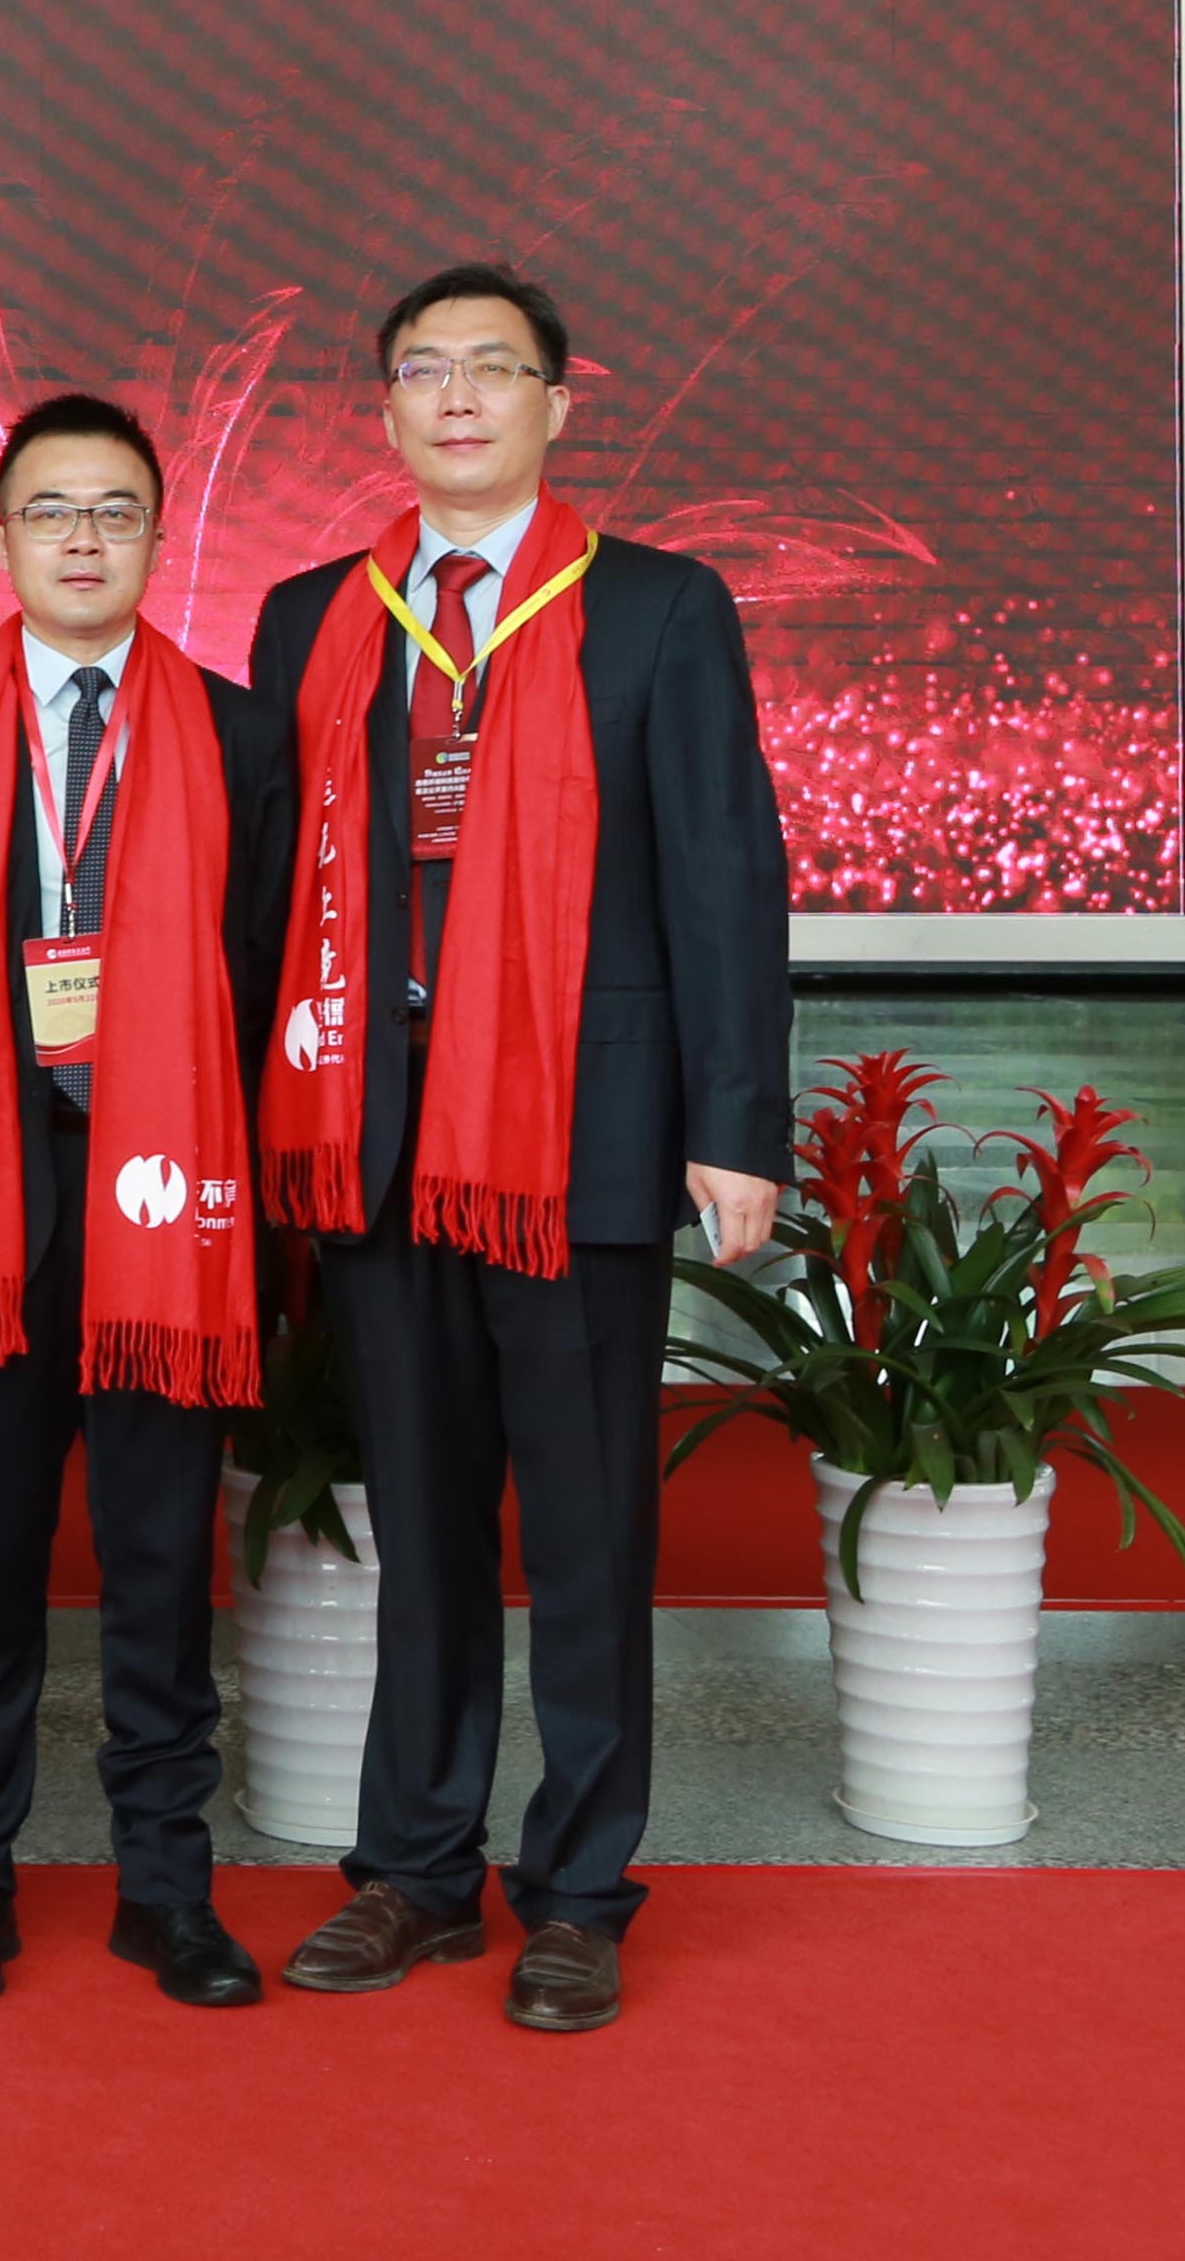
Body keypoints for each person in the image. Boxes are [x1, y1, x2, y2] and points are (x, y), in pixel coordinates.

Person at [246, 264, 791, 2037]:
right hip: (376, 1120)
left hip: (582, 1128)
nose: (460, 395)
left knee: (586, 1531)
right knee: (418, 1521)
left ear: (560, 402)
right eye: (426, 369)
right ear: (388, 410)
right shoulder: (313, 619)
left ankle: (577, 1892)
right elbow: (271, 890)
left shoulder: (655, 609)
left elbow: (725, 875)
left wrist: (735, 1127)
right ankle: (415, 1871)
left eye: (496, 368)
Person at [0, 393, 285, 2013]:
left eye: (115, 511)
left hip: (169, 1202)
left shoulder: (241, 738)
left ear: (162, 537)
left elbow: (258, 982)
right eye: (51, 511)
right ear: (0, 538)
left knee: (163, 1561)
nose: (83, 539)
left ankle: (166, 1887)